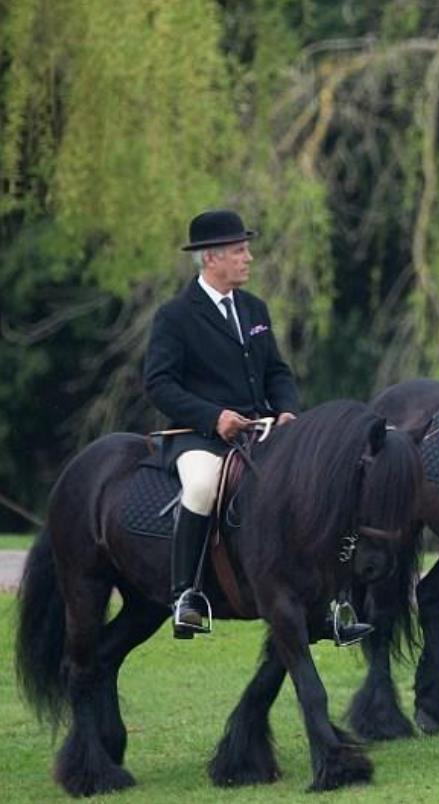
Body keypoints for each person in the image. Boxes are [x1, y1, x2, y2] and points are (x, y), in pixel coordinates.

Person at [144, 209, 370, 642]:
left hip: (261, 429)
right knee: (201, 488)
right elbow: (159, 385)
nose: (248, 258)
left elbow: (278, 372)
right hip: (198, 437)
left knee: (314, 485)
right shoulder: (175, 316)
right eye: (239, 251)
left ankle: (333, 604)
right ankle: (186, 596)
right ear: (211, 259)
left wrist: (286, 409)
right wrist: (214, 417)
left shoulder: (253, 308)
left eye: (247, 250)